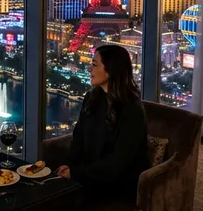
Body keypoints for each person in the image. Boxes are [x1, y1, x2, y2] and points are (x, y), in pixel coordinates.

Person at [56, 44, 148, 199]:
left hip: (117, 181)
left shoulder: (132, 110)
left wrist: (77, 173)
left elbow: (119, 162)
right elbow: (78, 137)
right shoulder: (92, 97)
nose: (89, 68)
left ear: (110, 71)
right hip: (88, 173)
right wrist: (70, 165)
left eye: (94, 64)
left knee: (61, 201)